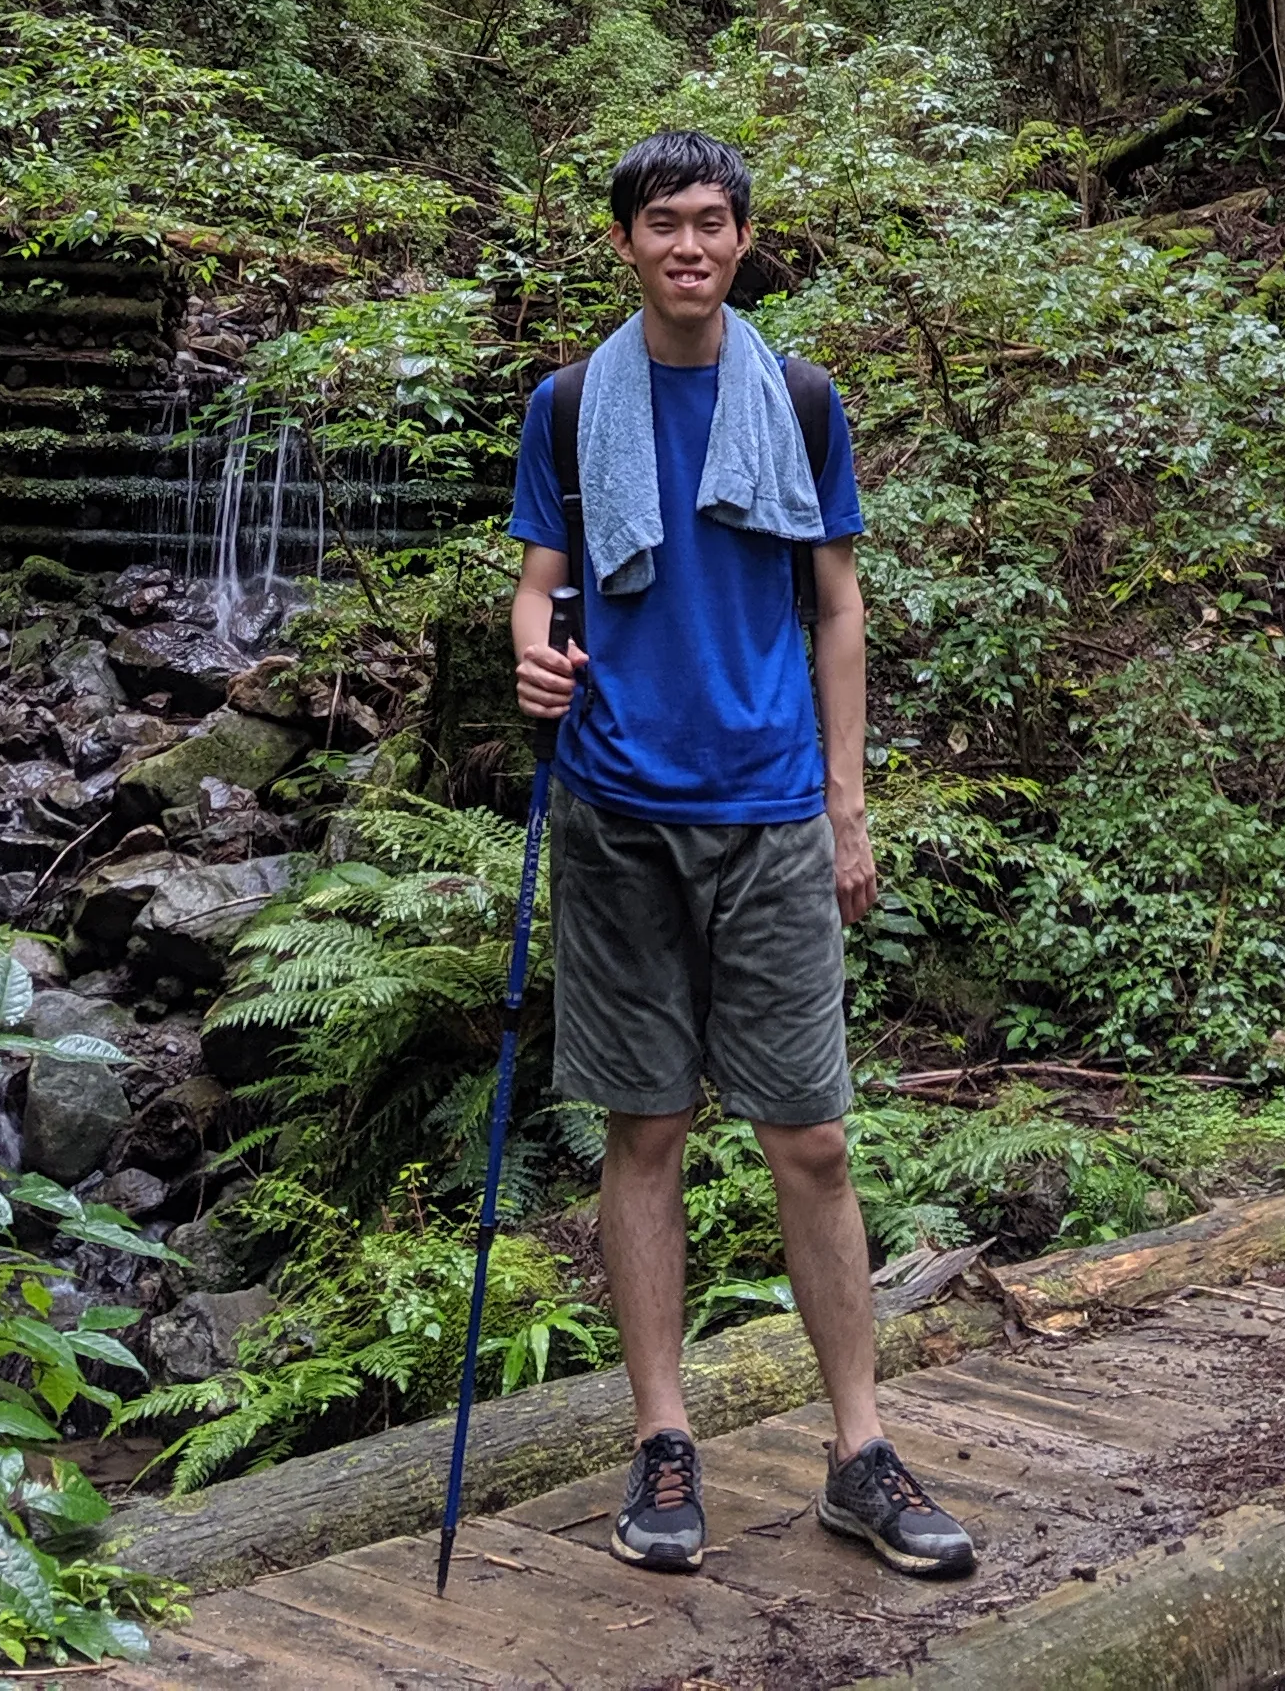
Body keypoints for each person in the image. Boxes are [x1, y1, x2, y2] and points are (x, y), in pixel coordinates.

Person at [509, 127, 978, 1585]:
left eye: (713, 222)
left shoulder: (802, 399)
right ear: (626, 243)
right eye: (665, 224)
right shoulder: (571, 403)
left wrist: (848, 803)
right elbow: (537, 589)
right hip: (617, 809)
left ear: (743, 238)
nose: (691, 246)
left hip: (771, 808)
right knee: (643, 1129)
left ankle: (859, 1450)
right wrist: (532, 656)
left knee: (812, 1139)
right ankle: (664, 1438)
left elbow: (835, 606)